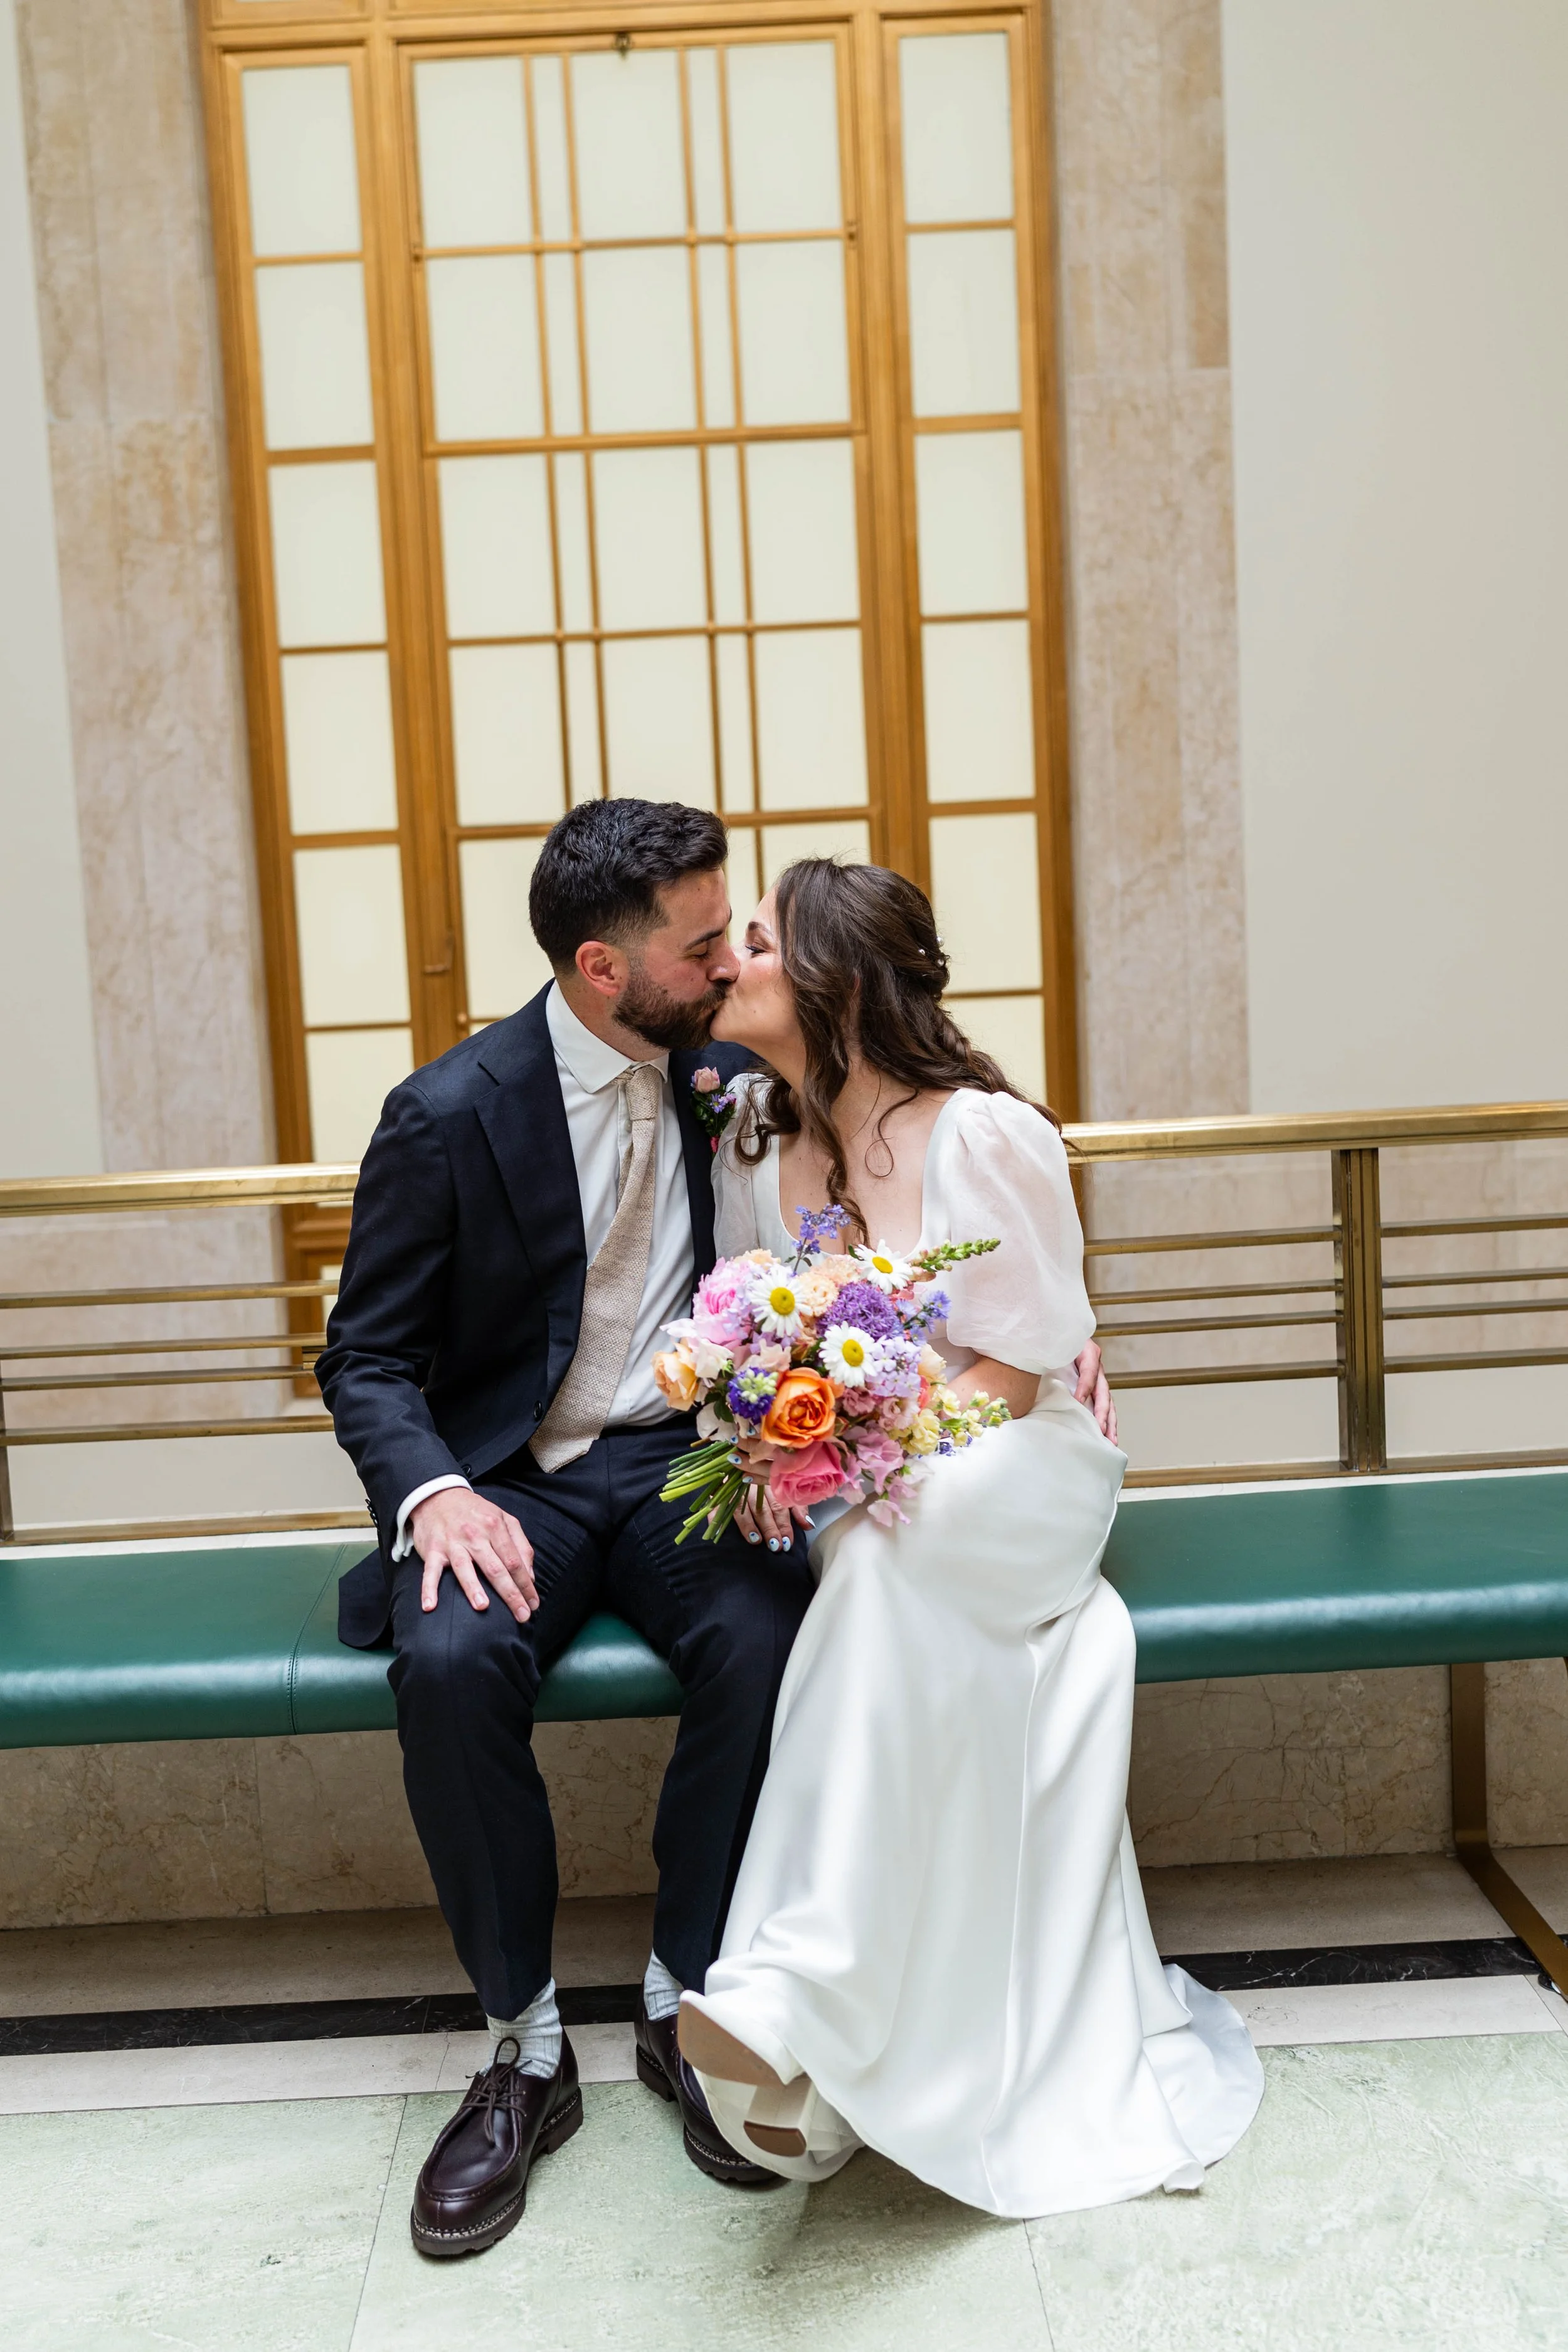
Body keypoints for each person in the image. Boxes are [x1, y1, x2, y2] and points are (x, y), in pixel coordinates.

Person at [318, 804, 1116, 2256]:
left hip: (693, 1467)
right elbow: (362, 1358)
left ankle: (688, 1995)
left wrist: (1051, 1342)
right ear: (602, 970)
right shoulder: (446, 1113)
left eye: (735, 935)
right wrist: (435, 1492)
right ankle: (522, 2049)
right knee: (445, 1666)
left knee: (764, 1636)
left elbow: (940, 1167)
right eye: (701, 944)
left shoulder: (736, 1074)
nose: (726, 957)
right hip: (518, 1483)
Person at [674, 859, 1263, 2217]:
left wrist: (876, 1444)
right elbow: (763, 1332)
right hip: (888, 1489)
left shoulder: (981, 1134)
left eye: (754, 943)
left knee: (882, 1555)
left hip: (1019, 1465)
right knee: (875, 1565)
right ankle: (814, 2016)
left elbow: (1016, 1363)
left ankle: (793, 1984)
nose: (729, 966)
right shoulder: (764, 1149)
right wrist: (778, 1440)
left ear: (826, 978)